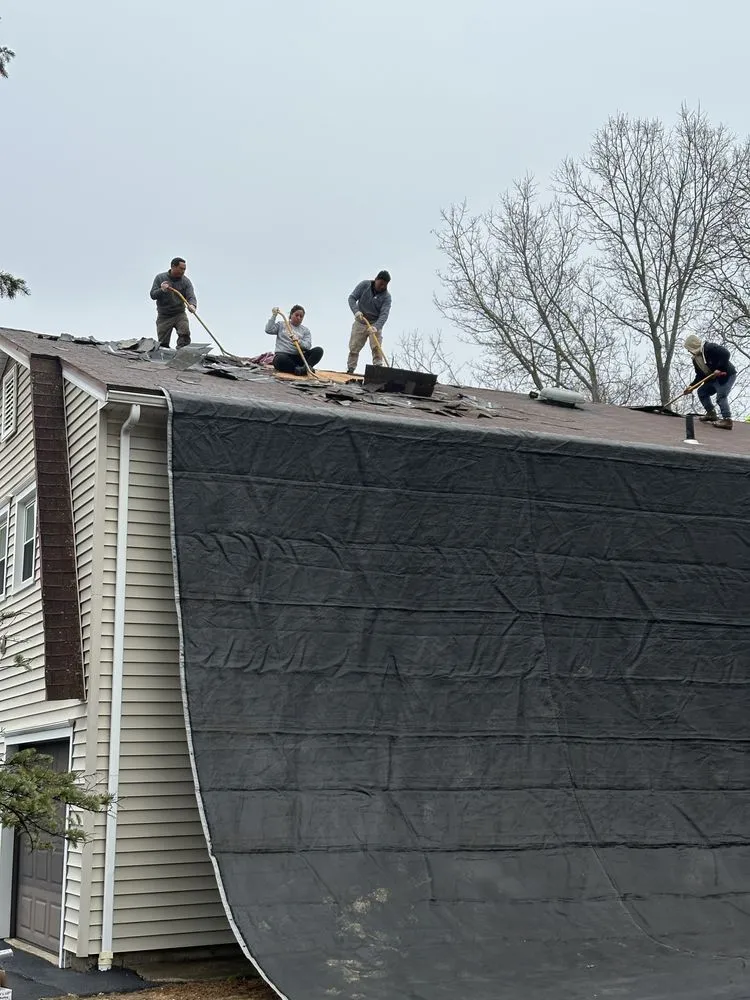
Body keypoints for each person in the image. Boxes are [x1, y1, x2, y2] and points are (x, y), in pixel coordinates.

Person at [683, 334, 737, 430]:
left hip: (726, 375)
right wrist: (691, 387)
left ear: (693, 345)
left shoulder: (709, 347)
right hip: (714, 379)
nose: (688, 351)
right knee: (702, 392)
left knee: (721, 396)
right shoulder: (696, 360)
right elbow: (700, 376)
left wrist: (719, 368)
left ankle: (727, 420)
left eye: (689, 348)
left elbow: (726, 353)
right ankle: (711, 414)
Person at [346, 270, 392, 374]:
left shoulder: (387, 297)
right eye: (381, 284)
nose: (382, 287)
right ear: (376, 280)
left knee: (376, 347)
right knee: (354, 347)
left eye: (385, 285)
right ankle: (351, 368)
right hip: (360, 321)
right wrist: (356, 311)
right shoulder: (364, 285)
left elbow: (384, 314)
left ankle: (378, 367)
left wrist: (376, 326)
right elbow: (352, 298)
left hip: (375, 324)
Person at [149, 257, 197, 349]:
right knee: (163, 343)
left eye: (184, 269)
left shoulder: (186, 281)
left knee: (185, 333)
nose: (183, 271)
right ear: (173, 267)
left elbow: (191, 296)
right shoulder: (160, 278)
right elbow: (153, 295)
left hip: (179, 314)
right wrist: (161, 290)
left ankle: (183, 351)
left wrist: (192, 305)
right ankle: (164, 354)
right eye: (181, 268)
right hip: (164, 316)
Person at [265, 305, 324, 375]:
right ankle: (298, 369)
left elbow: (308, 346)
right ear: (291, 315)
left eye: (301, 316)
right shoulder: (282, 324)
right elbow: (268, 330)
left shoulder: (305, 330)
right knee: (279, 360)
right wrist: (274, 315)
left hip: (299, 357)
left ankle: (305, 368)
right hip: (284, 356)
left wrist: (299, 342)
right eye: (296, 315)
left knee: (319, 350)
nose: (298, 318)